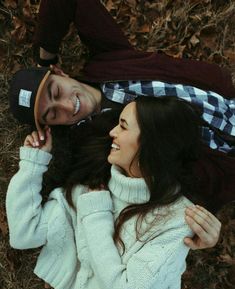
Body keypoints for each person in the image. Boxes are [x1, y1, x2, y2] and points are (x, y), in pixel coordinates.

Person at [6, 96, 221, 289]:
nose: (112, 132)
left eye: (123, 125)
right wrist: (31, 166)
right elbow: (23, 235)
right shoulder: (89, 187)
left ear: (153, 140)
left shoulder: (178, 217)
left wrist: (96, 217)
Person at [9, 0, 235, 213]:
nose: (68, 105)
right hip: (223, 156)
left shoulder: (109, 59)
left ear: (60, 73)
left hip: (227, 100)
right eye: (53, 114)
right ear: (50, 126)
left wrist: (45, 57)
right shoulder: (89, 149)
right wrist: (35, 161)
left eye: (56, 91)